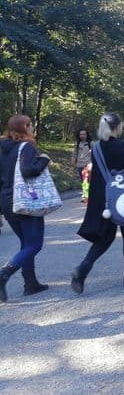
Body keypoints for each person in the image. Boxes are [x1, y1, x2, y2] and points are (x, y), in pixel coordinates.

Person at [71, 112, 124, 294]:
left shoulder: (95, 148)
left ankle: (83, 269)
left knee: (106, 237)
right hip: (123, 196)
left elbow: (97, 174)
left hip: (104, 199)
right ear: (117, 127)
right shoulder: (122, 147)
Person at [0, 115, 52, 302]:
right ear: (24, 128)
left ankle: (30, 283)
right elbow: (29, 170)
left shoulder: (2, 148)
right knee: (34, 244)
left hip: (7, 201)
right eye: (29, 125)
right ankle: (5, 273)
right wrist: (44, 159)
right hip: (25, 201)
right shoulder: (26, 146)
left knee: (26, 243)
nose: (32, 127)